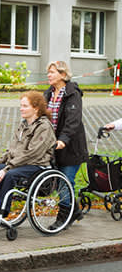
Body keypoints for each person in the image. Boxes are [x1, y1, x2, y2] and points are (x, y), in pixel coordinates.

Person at [0, 91, 56, 231]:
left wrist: (6, 169)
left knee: (10, 175)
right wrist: (0, 162)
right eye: (21, 105)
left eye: (25, 106)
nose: (21, 108)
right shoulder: (23, 125)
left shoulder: (44, 127)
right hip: (17, 163)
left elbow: (32, 154)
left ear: (36, 108)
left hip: (36, 166)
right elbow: (12, 149)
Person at [43, 61, 88, 229]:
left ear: (63, 75)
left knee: (65, 181)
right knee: (59, 180)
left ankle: (63, 218)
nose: (49, 75)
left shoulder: (72, 94)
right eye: (48, 72)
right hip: (53, 146)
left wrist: (63, 139)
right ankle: (74, 211)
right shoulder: (48, 93)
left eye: (52, 72)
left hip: (71, 146)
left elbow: (72, 121)